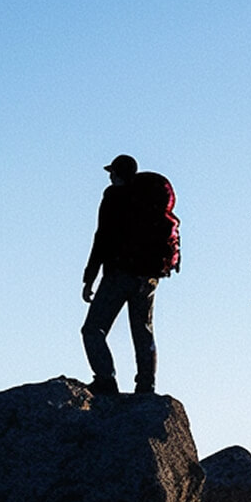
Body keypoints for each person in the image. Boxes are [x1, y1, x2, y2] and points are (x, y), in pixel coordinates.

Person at [80, 154, 179, 396]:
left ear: (118, 174)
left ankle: (106, 380)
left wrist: (89, 277)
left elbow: (102, 238)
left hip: (120, 274)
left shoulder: (114, 197)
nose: (110, 178)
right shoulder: (150, 199)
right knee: (142, 331)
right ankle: (146, 386)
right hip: (149, 276)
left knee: (93, 329)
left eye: (112, 173)